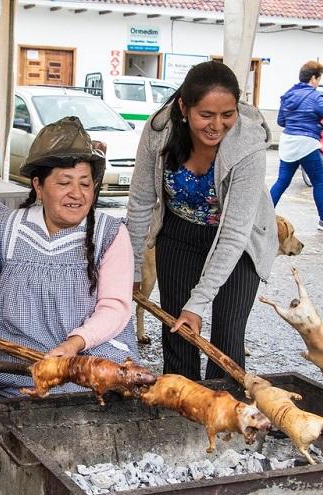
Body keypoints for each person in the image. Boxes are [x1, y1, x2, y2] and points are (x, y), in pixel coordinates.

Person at [0, 116, 137, 398]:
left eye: (85, 184)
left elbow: (115, 308)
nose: (77, 194)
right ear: (38, 186)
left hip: (88, 373)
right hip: (18, 375)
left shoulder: (110, 234)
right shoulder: (9, 228)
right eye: (64, 183)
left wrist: (73, 345)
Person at [126, 60, 277, 379]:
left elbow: (235, 233)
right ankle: (181, 419)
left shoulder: (248, 145)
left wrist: (198, 303)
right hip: (179, 233)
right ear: (183, 107)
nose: (217, 125)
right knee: (178, 334)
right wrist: (134, 267)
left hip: (240, 245)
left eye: (227, 115)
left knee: (227, 340)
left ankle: (227, 422)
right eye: (205, 115)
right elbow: (140, 203)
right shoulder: (159, 131)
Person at [270, 60, 323, 231]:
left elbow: (281, 121)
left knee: (282, 181)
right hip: (307, 143)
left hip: (288, 142)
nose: (318, 82)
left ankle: (263, 214)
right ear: (313, 78)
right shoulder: (315, 96)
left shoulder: (288, 95)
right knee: (320, 181)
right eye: (319, 79)